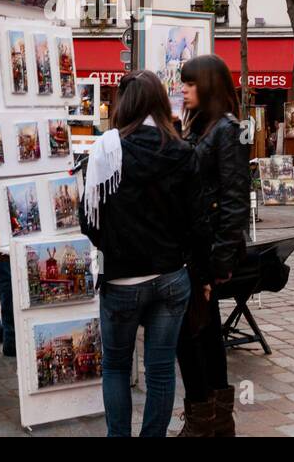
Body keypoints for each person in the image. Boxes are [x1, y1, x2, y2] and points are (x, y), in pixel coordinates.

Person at [80, 69, 199, 438]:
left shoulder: (105, 151)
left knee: (116, 366)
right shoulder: (182, 150)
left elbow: (89, 222)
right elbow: (196, 221)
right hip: (170, 276)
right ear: (161, 103)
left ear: (123, 105)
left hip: (123, 278)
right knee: (161, 370)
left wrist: (114, 245)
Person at [176, 54, 249, 437]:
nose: (183, 89)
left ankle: (207, 421)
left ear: (208, 85)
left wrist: (218, 264)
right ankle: (213, 421)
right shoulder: (200, 128)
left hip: (208, 254)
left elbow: (236, 200)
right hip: (194, 250)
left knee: (195, 336)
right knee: (200, 334)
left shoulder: (228, 130)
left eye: (189, 83)